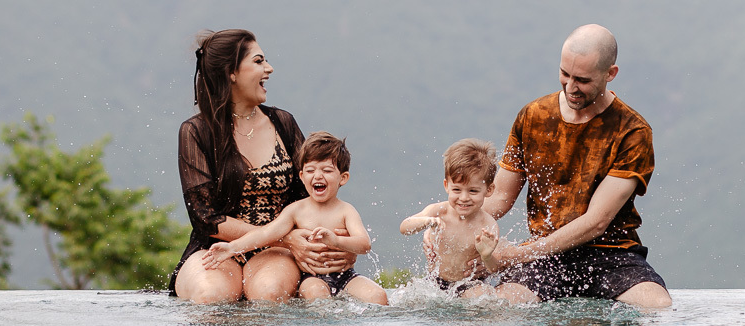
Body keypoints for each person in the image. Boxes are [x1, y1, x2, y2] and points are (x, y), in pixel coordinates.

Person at [473, 24, 672, 308]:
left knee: (658, 306)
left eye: (582, 80)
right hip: (546, 258)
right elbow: (500, 199)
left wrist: (516, 254)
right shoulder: (533, 116)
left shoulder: (632, 131)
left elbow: (596, 222)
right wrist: (448, 221)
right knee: (502, 305)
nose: (570, 87)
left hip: (611, 255)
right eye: (564, 74)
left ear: (610, 74)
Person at [170, 29, 357, 303]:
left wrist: (339, 245)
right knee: (211, 295)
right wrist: (283, 239)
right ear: (231, 72)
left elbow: (312, 197)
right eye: (258, 61)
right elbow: (205, 217)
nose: (269, 68)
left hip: (277, 252)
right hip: (216, 248)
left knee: (269, 293)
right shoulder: (196, 131)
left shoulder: (283, 123)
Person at [205, 132, 388, 304]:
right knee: (318, 296)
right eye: (310, 171)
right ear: (301, 176)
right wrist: (232, 248)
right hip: (311, 277)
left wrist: (337, 241)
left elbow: (364, 244)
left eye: (327, 170)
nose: (318, 176)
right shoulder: (296, 210)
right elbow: (266, 233)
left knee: (378, 296)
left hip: (346, 275)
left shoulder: (346, 211)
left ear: (343, 177)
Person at [399, 138, 501, 294]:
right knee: (411, 294)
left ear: (489, 190)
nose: (464, 197)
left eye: (473, 191)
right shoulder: (439, 211)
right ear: (447, 186)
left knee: (481, 295)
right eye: (457, 190)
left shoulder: (487, 224)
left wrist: (487, 256)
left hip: (470, 282)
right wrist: (426, 222)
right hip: (435, 281)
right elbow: (405, 227)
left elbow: (494, 268)